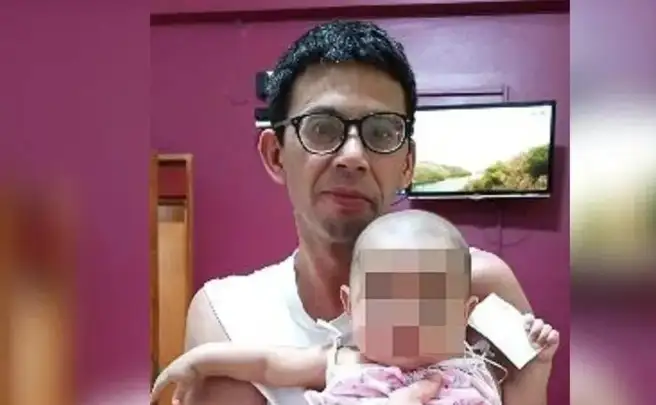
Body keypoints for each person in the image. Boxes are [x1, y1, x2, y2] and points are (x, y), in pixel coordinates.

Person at [177, 20, 549, 405]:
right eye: (322, 128)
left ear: (408, 163)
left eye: (381, 132)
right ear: (275, 154)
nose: (353, 156)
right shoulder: (229, 315)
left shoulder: (479, 286)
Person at [154, 211, 559, 405]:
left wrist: (537, 367)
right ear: (351, 305)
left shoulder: (474, 369)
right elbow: (267, 362)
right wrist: (200, 361)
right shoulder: (341, 359)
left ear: (464, 313)